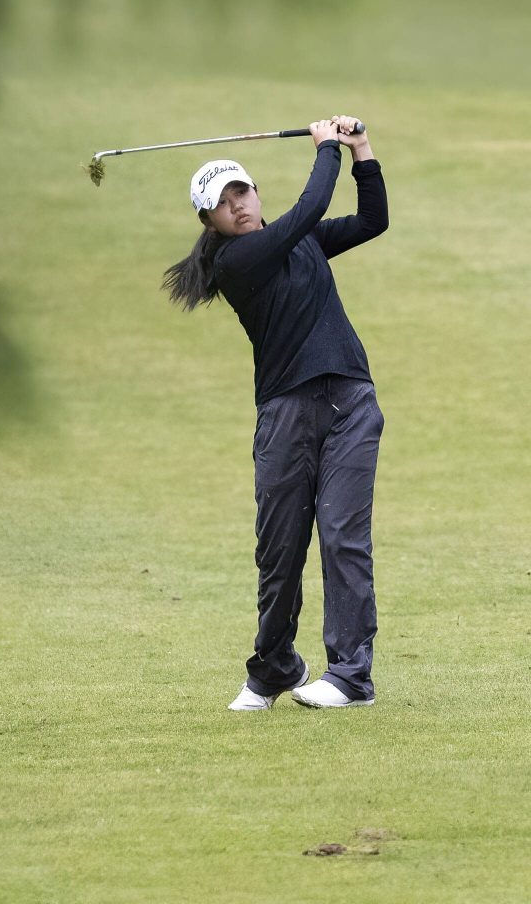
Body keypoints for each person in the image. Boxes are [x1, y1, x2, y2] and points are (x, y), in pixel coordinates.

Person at [163, 115, 389, 710]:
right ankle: (273, 669)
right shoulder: (238, 263)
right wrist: (326, 148)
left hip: (349, 403)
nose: (237, 206)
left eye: (243, 191)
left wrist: (361, 148)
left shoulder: (302, 243)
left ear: (255, 192)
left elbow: (373, 220)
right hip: (286, 415)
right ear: (208, 220)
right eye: (222, 202)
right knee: (280, 548)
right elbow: (309, 208)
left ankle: (350, 677)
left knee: (343, 538)